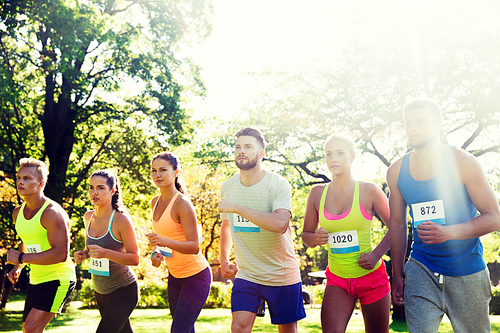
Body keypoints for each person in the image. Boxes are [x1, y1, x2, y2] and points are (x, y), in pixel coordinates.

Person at [387, 97, 500, 333]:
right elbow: (397, 224)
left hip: (467, 270)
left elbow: (494, 217)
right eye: (408, 123)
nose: (412, 128)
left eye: (419, 121)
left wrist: (449, 233)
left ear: (437, 124)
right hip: (421, 268)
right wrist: (397, 274)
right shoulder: (396, 171)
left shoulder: (463, 162)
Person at [218, 127, 306, 333]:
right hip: (247, 273)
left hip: (281, 273)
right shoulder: (228, 187)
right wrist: (223, 260)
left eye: (248, 146)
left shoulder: (278, 184)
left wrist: (237, 208)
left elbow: (279, 224)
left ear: (261, 153)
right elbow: (227, 225)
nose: (241, 151)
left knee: (287, 330)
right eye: (237, 147)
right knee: (238, 328)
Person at [302, 133, 391, 333]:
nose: (333, 158)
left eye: (340, 153)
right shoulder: (317, 193)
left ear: (352, 156)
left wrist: (376, 254)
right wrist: (315, 238)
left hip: (371, 277)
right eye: (328, 154)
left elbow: (397, 227)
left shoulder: (369, 190)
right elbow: (306, 235)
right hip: (338, 280)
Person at [6, 158, 76, 333]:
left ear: (41, 184)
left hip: (59, 278)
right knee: (28, 329)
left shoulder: (52, 213)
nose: (20, 181)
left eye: (27, 178)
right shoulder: (18, 213)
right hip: (37, 279)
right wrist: (18, 266)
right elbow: (27, 240)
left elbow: (61, 254)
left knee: (31, 327)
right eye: (19, 177)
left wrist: (21, 258)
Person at [146, 152, 211, 333]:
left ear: (176, 172)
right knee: (185, 330)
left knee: (179, 330)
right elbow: (159, 239)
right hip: (175, 276)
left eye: (163, 170)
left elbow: (193, 246)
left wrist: (163, 241)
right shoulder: (154, 202)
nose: (157, 175)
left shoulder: (182, 204)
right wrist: (155, 253)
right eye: (154, 171)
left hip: (196, 276)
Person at [74, 169, 140, 333]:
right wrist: (85, 254)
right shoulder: (88, 217)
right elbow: (93, 248)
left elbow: (134, 258)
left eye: (100, 188)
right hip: (100, 290)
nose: (94, 192)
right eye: (91, 187)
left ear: (112, 190)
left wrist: (106, 253)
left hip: (124, 289)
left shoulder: (121, 219)